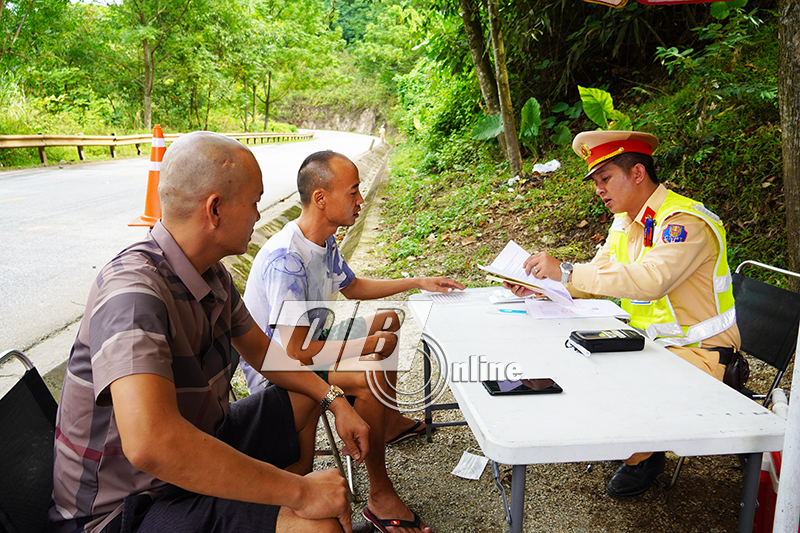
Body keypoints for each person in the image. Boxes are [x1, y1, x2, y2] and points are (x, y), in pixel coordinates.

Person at [48, 131, 374, 533]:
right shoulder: (133, 293)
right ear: (215, 209)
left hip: (204, 440)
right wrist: (299, 493)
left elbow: (266, 354)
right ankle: (301, 513)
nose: (259, 215)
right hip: (131, 507)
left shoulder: (212, 273)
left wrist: (333, 398)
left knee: (302, 397)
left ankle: (293, 509)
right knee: (314, 523)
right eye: (254, 202)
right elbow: (153, 445)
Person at [505, 130, 740, 498]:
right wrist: (541, 286)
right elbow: (596, 278)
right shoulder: (626, 221)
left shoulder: (683, 222)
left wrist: (564, 270)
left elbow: (651, 281)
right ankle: (634, 440)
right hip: (649, 345)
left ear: (637, 173)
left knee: (601, 380)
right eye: (595, 181)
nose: (599, 189)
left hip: (701, 352)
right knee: (570, 357)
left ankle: (643, 455)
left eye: (605, 178)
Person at [240, 150, 465, 533]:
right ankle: (380, 496)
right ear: (321, 198)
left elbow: (353, 286)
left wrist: (416, 282)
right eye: (354, 192)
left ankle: (386, 422)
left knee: (389, 321)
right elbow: (294, 353)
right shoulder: (286, 260)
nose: (361, 201)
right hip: (279, 370)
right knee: (373, 366)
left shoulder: (323, 241)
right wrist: (366, 346)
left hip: (310, 343)